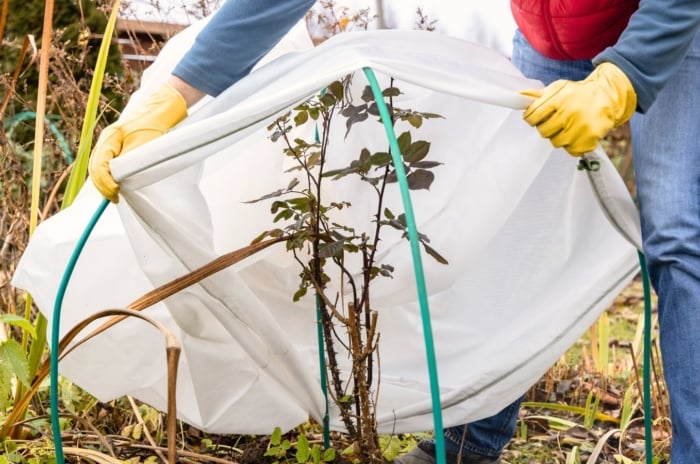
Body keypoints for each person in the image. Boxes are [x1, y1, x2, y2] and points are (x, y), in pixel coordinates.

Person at [88, 1, 700, 463]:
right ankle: (466, 442)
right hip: (553, 32)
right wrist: (173, 93)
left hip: (674, 19)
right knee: (509, 222)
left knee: (677, 236)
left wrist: (626, 75)